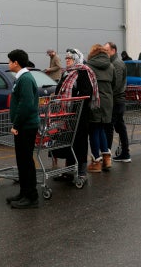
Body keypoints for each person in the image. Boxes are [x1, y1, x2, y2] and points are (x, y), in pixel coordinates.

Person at [52, 48, 98, 182]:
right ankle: (68, 170)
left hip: (80, 115)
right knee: (67, 141)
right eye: (66, 58)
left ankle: (82, 172)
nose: (67, 60)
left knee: (80, 143)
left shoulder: (83, 71)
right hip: (66, 115)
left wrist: (74, 103)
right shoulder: (66, 73)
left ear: (77, 59)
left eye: (70, 58)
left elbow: (87, 93)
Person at [5, 49, 40, 209]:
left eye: (9, 61)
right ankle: (24, 192)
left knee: (26, 162)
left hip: (26, 127)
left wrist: (16, 125)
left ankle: (31, 197)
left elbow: (25, 104)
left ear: (16, 63)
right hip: (24, 126)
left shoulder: (25, 79)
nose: (8, 64)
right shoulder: (22, 78)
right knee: (22, 161)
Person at [86, 44, 115, 173]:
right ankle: (107, 158)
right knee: (102, 128)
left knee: (93, 130)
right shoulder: (111, 66)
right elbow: (114, 84)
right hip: (108, 102)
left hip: (95, 101)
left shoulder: (88, 66)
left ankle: (96, 162)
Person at [105, 42, 129, 162]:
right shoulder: (112, 63)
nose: (105, 53)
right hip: (116, 100)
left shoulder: (117, 64)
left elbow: (117, 84)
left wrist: (106, 95)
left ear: (113, 50)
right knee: (119, 126)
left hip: (116, 101)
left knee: (110, 127)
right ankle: (125, 154)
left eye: (107, 51)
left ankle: (107, 157)